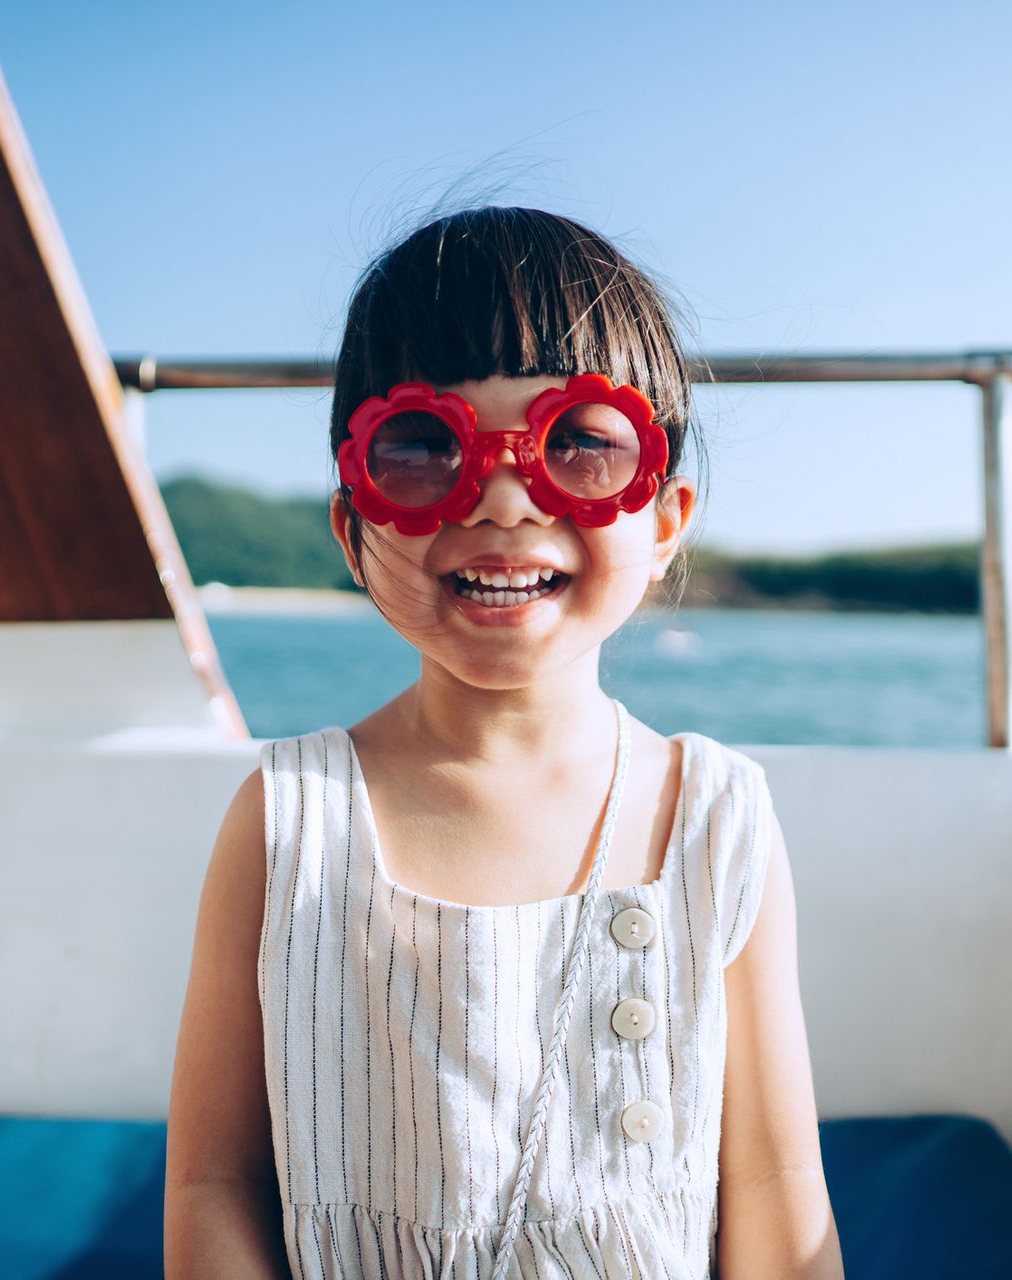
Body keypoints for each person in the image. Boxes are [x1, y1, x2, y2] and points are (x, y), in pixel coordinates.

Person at [164, 206, 842, 1279]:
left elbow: (773, 1184)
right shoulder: (290, 817)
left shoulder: (714, 815)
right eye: (425, 449)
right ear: (353, 528)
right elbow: (214, 1183)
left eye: (579, 442)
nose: (506, 494)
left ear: (665, 516)